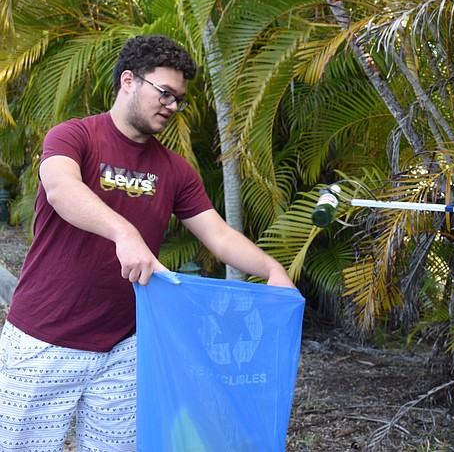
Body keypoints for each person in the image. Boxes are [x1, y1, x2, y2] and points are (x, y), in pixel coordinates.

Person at [0, 34, 297, 450]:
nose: (172, 106)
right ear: (129, 80)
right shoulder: (74, 137)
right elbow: (60, 189)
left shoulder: (175, 170)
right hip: (44, 337)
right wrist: (125, 231)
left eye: (178, 99)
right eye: (164, 93)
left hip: (126, 348)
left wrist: (272, 269)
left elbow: (219, 235)